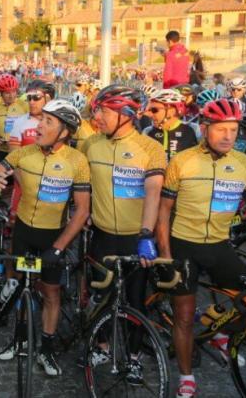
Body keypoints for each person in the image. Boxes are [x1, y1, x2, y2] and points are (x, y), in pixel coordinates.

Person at [156, 98, 246, 398]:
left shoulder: (244, 165)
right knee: (184, 316)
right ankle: (186, 377)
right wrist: (165, 255)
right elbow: (163, 211)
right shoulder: (182, 162)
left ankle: (217, 329)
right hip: (184, 245)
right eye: (221, 129)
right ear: (204, 128)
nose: (228, 136)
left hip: (220, 246)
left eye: (233, 130)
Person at [0, 100, 90, 374]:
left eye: (48, 122)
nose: (39, 125)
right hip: (24, 233)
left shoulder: (77, 161)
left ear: (65, 132)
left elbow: (82, 211)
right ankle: (19, 340)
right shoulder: (23, 154)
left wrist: (59, 247)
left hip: (53, 237)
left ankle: (47, 350)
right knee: (20, 286)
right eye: (41, 119)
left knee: (51, 293)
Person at [79, 86, 166, 383]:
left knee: (135, 301)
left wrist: (146, 234)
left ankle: (133, 358)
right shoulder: (90, 144)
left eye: (103, 111)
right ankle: (102, 347)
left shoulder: (150, 148)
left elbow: (153, 193)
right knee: (100, 295)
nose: (96, 116)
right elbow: (81, 182)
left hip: (134, 237)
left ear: (126, 115)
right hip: (102, 234)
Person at [142, 89, 198, 161]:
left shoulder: (193, 129)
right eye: (148, 110)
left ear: (171, 111)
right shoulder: (147, 131)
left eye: (154, 110)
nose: (148, 114)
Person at [0, 74, 28, 161]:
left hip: (20, 150)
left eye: (13, 91)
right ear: (1, 93)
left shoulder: (24, 106)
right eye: (7, 93)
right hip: (2, 151)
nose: (11, 96)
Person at [8, 80, 54, 151]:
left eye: (36, 97)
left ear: (48, 99)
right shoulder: (19, 122)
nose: (31, 102)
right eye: (29, 97)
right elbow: (13, 156)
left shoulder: (58, 122)